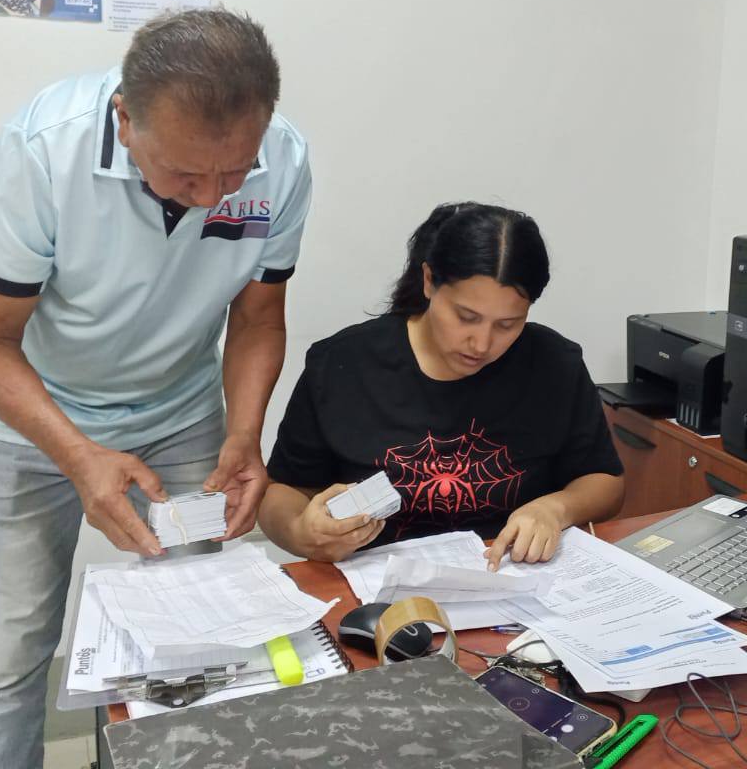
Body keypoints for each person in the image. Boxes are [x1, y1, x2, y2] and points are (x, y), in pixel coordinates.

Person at [0, 8, 311, 769]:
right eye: (185, 174)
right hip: (30, 419)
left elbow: (257, 319)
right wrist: (79, 456)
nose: (212, 196)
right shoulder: (42, 151)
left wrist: (244, 434)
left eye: (234, 172)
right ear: (125, 118)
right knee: (11, 648)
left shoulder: (283, 159)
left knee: (205, 627)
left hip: (181, 416)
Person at [258, 203, 624, 569]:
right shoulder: (343, 364)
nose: (481, 344)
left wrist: (555, 508)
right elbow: (283, 492)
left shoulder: (553, 364)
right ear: (429, 280)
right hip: (377, 585)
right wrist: (300, 532)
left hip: (510, 574)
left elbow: (605, 481)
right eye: (466, 317)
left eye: (507, 324)